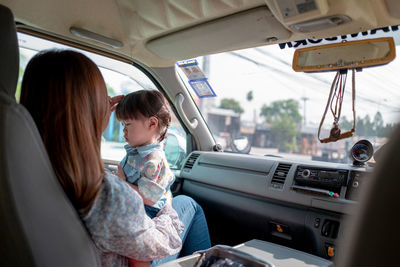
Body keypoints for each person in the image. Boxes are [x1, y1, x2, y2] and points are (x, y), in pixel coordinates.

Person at [19, 49, 211, 267]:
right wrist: (167, 210)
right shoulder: (106, 195)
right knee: (188, 204)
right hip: (136, 254)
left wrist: (93, 123)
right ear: (89, 112)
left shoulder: (22, 171)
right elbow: (151, 248)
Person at [115, 90, 175, 219]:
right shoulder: (136, 152)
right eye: (122, 124)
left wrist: (121, 183)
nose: (124, 130)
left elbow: (149, 198)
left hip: (147, 212)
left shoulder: (154, 158)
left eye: (128, 124)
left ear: (152, 123)